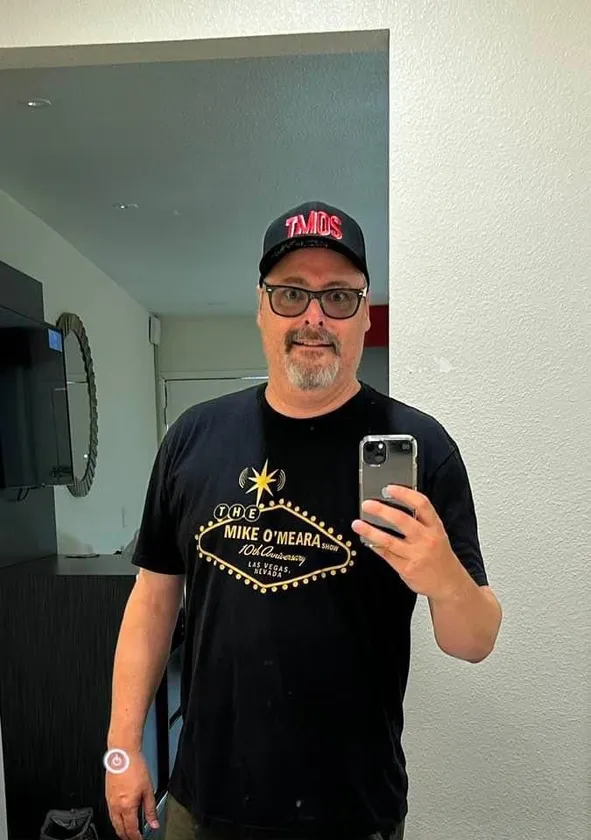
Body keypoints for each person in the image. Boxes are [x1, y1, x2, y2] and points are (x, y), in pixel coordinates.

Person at [106, 201, 502, 840]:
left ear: (366, 315)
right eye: (291, 293)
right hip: (202, 807)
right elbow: (152, 602)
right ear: (262, 308)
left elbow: (474, 641)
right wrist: (122, 750)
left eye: (338, 296)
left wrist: (443, 577)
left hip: (353, 811)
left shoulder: (423, 447)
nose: (314, 317)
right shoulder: (193, 437)